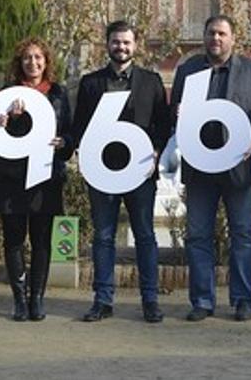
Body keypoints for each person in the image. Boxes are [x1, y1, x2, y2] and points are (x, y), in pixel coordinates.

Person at [71, 20, 171, 323]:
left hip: (140, 172)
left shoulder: (151, 81)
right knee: (103, 238)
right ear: (107, 44)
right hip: (102, 173)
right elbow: (80, 128)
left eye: (126, 42)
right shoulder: (90, 83)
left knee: (145, 235)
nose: (121, 47)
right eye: (116, 42)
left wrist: (155, 149)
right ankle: (102, 300)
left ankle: (150, 300)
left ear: (135, 45)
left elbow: (163, 124)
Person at [170, 15, 251, 322]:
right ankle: (202, 300)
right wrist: (178, 113)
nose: (216, 39)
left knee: (242, 235)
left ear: (233, 38)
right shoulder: (187, 71)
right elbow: (176, 114)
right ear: (204, 37)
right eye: (211, 33)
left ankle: (242, 300)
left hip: (238, 167)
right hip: (200, 169)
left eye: (222, 34)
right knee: (198, 236)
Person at [0, 37, 72, 322]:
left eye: (38, 58)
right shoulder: (7, 95)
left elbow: (70, 134)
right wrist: (5, 120)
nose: (32, 63)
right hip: (11, 178)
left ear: (46, 62)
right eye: (27, 58)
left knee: (41, 241)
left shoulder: (59, 94)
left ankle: (37, 298)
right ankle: (18, 300)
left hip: (45, 177)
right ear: (20, 63)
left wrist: (65, 142)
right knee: (13, 241)